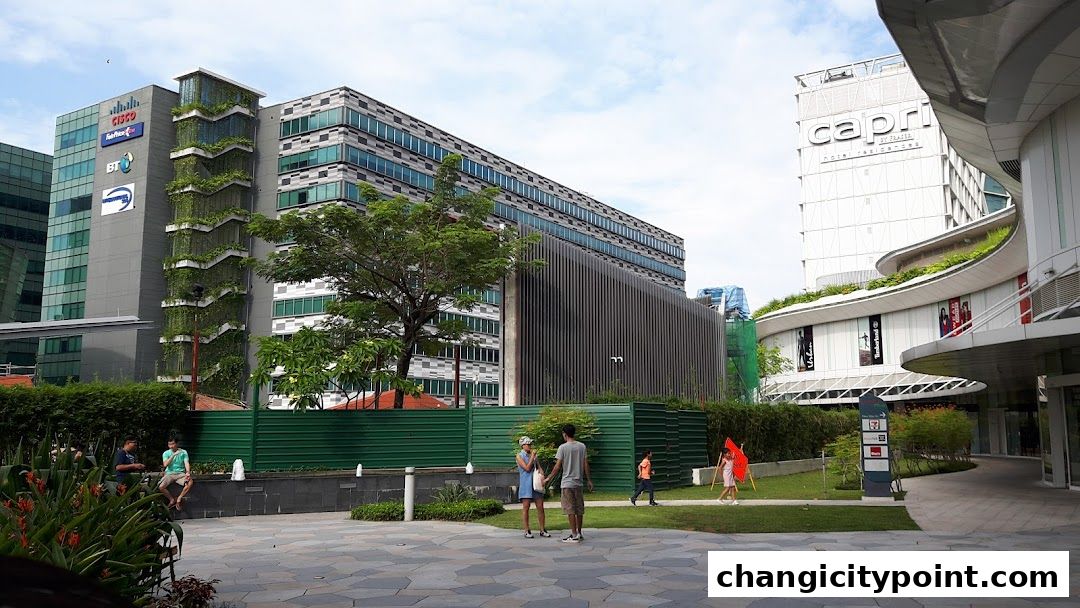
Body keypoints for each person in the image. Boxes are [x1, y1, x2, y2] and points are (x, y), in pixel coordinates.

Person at [543, 424, 593, 543]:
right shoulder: (582, 446)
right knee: (579, 509)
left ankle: (574, 534)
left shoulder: (563, 448)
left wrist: (548, 478)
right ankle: (579, 533)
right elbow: (585, 464)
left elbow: (557, 466)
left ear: (565, 434)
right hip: (578, 483)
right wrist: (589, 480)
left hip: (567, 483)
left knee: (570, 509)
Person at [515, 436, 550, 539]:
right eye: (528, 444)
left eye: (530, 444)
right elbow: (527, 468)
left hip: (535, 484)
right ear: (523, 445)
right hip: (526, 484)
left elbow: (539, 467)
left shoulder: (534, 455)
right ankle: (526, 530)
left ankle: (542, 529)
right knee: (526, 507)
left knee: (540, 507)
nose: (530, 446)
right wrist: (532, 457)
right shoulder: (519, 456)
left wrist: (542, 477)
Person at [159, 436, 193, 509]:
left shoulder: (183, 452)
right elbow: (165, 464)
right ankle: (171, 499)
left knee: (190, 482)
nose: (171, 446)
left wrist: (188, 472)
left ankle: (179, 498)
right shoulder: (166, 453)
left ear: (177, 444)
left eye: (173, 444)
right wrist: (173, 455)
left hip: (180, 474)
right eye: (169, 444)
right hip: (169, 474)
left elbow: (186, 462)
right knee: (161, 487)